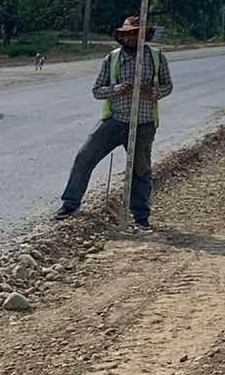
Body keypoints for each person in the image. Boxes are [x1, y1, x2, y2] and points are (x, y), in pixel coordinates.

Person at [54, 17, 173, 229]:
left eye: (135, 33)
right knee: (84, 157)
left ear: (143, 36)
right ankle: (70, 204)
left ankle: (140, 217)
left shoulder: (157, 58)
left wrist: (152, 92)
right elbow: (97, 90)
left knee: (141, 170)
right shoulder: (112, 59)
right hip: (114, 121)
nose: (130, 37)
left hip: (143, 124)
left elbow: (168, 86)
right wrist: (117, 89)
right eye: (126, 34)